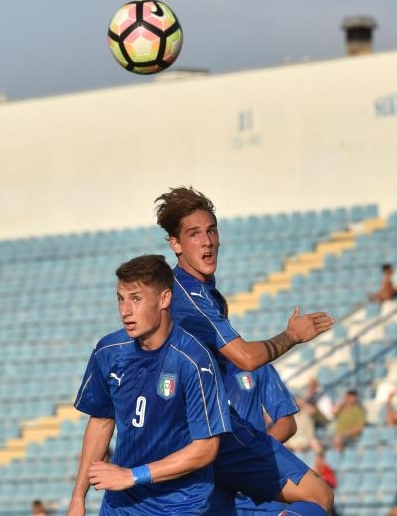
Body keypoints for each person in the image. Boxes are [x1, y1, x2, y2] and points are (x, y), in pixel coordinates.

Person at [155, 186, 335, 515]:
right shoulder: (190, 295)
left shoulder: (185, 293)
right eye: (194, 234)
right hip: (212, 434)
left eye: (211, 230)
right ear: (176, 244)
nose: (207, 241)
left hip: (184, 436)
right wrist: (291, 335)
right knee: (318, 496)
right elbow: (248, 357)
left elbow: (286, 421)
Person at [67, 255, 231, 515]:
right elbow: (100, 422)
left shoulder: (194, 360)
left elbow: (205, 449)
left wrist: (133, 475)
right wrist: (78, 498)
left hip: (180, 504)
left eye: (136, 298)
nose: (125, 311)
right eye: (121, 299)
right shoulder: (108, 351)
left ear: (165, 299)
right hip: (122, 503)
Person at [222, 362, 300, 515]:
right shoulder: (185, 367)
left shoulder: (254, 363)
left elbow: (287, 424)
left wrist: (251, 458)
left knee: (320, 497)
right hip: (210, 492)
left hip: (259, 494)